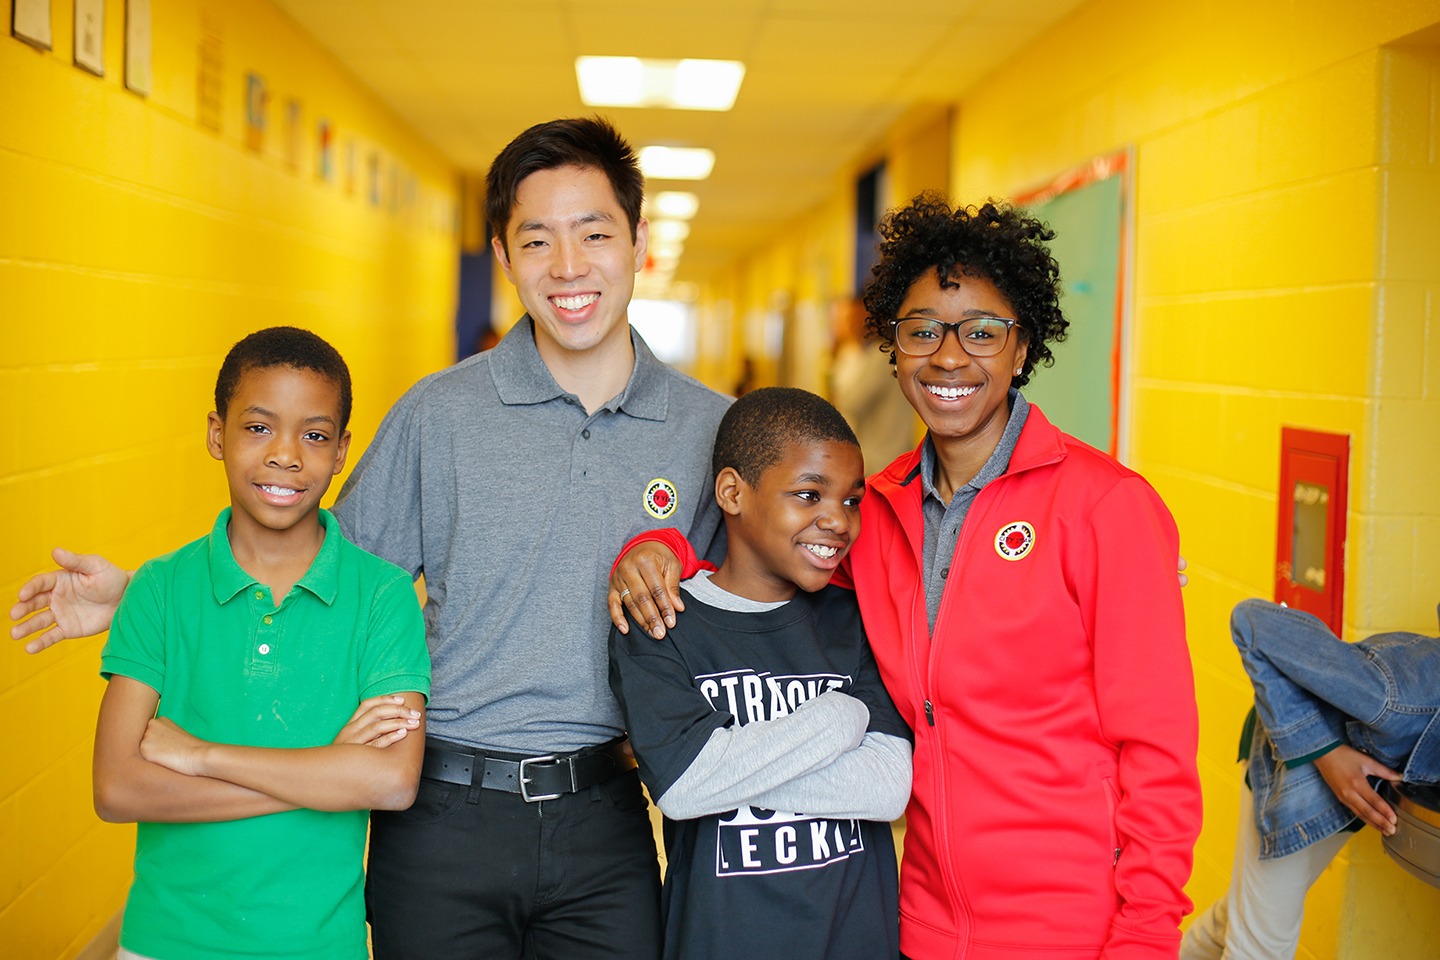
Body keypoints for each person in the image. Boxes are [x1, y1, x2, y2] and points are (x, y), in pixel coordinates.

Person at [10, 117, 732, 959]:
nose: (567, 268)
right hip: (441, 815)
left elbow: (748, 609)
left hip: (606, 815)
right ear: (503, 256)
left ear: (638, 241)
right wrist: (142, 593)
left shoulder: (707, 430)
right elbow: (319, 574)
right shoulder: (439, 414)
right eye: (536, 240)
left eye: (594, 234)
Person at [610, 194, 1201, 959]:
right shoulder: (879, 513)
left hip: (1068, 928)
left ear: (1022, 349)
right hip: (916, 924)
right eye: (921, 331)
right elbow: (766, 558)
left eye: (983, 333)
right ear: (894, 347)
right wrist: (662, 551)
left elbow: (1158, 754)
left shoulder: (1107, 509)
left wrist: (1145, 940)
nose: (949, 357)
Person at [92, 326, 431, 960]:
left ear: (341, 451)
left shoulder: (384, 596)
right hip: (164, 942)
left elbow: (389, 782)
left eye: (314, 435)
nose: (286, 455)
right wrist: (325, 769)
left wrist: (201, 755)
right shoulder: (160, 589)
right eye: (258, 428)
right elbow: (116, 789)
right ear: (217, 434)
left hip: (317, 945)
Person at [609, 386, 912, 960]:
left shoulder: (855, 618)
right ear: (732, 492)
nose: (837, 521)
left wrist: (723, 768)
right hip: (721, 939)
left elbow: (886, 787)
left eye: (851, 501)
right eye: (809, 494)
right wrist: (838, 718)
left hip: (853, 939)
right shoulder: (661, 621)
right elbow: (682, 789)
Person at [1181, 598, 1439, 960]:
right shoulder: (1396, 696)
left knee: (1246, 915)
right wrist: (1326, 753)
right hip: (1289, 766)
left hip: (1346, 787)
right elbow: (1252, 621)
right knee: (1260, 947)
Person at [829, 295, 917, 468]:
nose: (853, 324)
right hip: (897, 454)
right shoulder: (896, 352)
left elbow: (851, 401)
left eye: (856, 317)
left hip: (880, 459)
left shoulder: (881, 356)